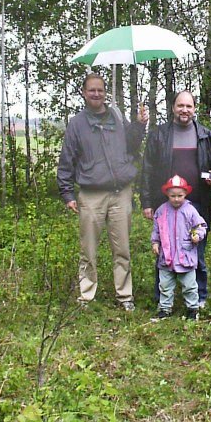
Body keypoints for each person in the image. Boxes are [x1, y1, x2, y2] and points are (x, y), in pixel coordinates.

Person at [57, 73, 148, 311]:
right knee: (88, 249)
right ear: (84, 93)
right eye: (92, 90)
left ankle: (124, 296)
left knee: (123, 249)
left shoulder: (117, 117)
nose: (96, 94)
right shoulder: (77, 124)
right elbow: (66, 160)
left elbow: (132, 144)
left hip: (121, 193)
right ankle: (86, 296)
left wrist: (139, 124)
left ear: (105, 92)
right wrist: (67, 193)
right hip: (91, 194)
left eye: (100, 90)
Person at [141, 91, 211, 308]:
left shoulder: (207, 136)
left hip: (198, 204)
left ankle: (199, 296)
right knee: (165, 249)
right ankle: (163, 297)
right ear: (173, 108)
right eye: (180, 106)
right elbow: (147, 169)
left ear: (194, 108)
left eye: (189, 106)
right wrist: (147, 202)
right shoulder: (159, 135)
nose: (184, 110)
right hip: (165, 203)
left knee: (197, 249)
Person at [151, 175, 207, 321]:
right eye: (173, 196)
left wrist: (198, 235)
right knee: (165, 285)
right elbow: (156, 229)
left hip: (185, 256)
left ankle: (192, 309)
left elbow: (200, 226)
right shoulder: (161, 211)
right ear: (167, 194)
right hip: (167, 257)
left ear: (185, 194)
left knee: (189, 286)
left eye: (180, 196)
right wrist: (155, 243)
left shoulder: (190, 210)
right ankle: (164, 309)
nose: (176, 199)